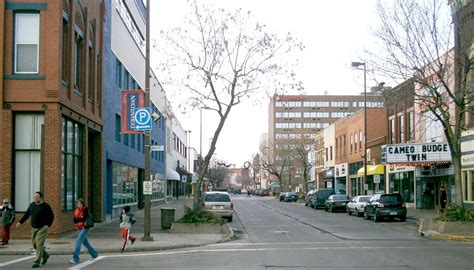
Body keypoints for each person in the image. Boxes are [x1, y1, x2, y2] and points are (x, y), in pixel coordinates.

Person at [16, 191, 54, 268]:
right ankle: (45, 255)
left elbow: (51, 216)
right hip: (34, 228)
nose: (35, 199)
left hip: (43, 228)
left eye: (37, 197)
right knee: (35, 244)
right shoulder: (32, 205)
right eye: (34, 197)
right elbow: (27, 214)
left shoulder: (45, 206)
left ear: (41, 198)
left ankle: (36, 261)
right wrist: (20, 222)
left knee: (39, 244)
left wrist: (48, 225)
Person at [70, 199, 98, 264]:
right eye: (78, 204)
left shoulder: (85, 209)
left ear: (83, 204)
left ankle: (75, 258)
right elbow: (75, 220)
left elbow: (84, 218)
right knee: (85, 243)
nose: (79, 205)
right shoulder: (76, 210)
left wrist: (79, 220)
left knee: (78, 242)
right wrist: (79, 220)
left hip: (85, 227)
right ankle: (94, 254)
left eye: (80, 203)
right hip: (79, 227)